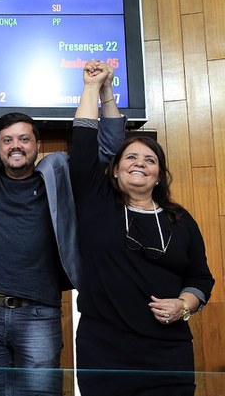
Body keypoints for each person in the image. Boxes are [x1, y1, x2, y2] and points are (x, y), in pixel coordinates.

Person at [0, 59, 126, 369]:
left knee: (39, 390)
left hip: (39, 314)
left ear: (37, 145)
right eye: (7, 140)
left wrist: (105, 92)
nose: (15, 146)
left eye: (24, 139)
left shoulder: (60, 175)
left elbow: (110, 148)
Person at [70, 60, 214, 394]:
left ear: (159, 175)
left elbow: (200, 279)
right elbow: (84, 142)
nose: (140, 164)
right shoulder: (96, 203)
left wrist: (184, 305)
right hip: (103, 353)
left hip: (168, 355)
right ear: (115, 170)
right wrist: (94, 87)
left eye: (150, 160)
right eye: (131, 158)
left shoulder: (181, 220)